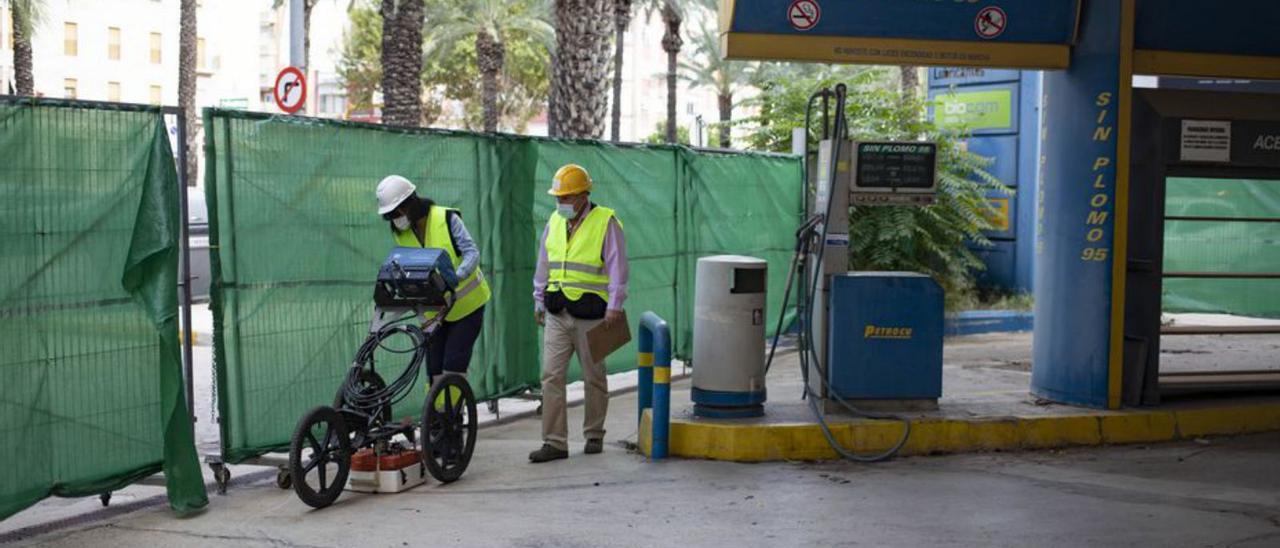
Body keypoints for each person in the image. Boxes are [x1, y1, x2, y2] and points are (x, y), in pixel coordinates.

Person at [529, 164, 628, 463]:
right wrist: (538, 299)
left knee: (594, 376)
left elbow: (617, 266)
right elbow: (544, 263)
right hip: (558, 311)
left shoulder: (605, 222)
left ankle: (594, 434)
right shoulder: (554, 222)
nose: (562, 203)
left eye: (568, 197)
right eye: (559, 198)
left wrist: (615, 305)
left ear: (584, 195)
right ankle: (555, 442)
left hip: (592, 314)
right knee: (550, 376)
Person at [375, 175, 491, 387]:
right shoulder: (401, 234)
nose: (395, 219)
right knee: (433, 368)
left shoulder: (446, 219)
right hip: (434, 311)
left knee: (453, 365)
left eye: (396, 212)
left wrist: (455, 278)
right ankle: (436, 417)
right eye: (390, 216)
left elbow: (471, 252)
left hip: (467, 307)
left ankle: (453, 415)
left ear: (411, 203)